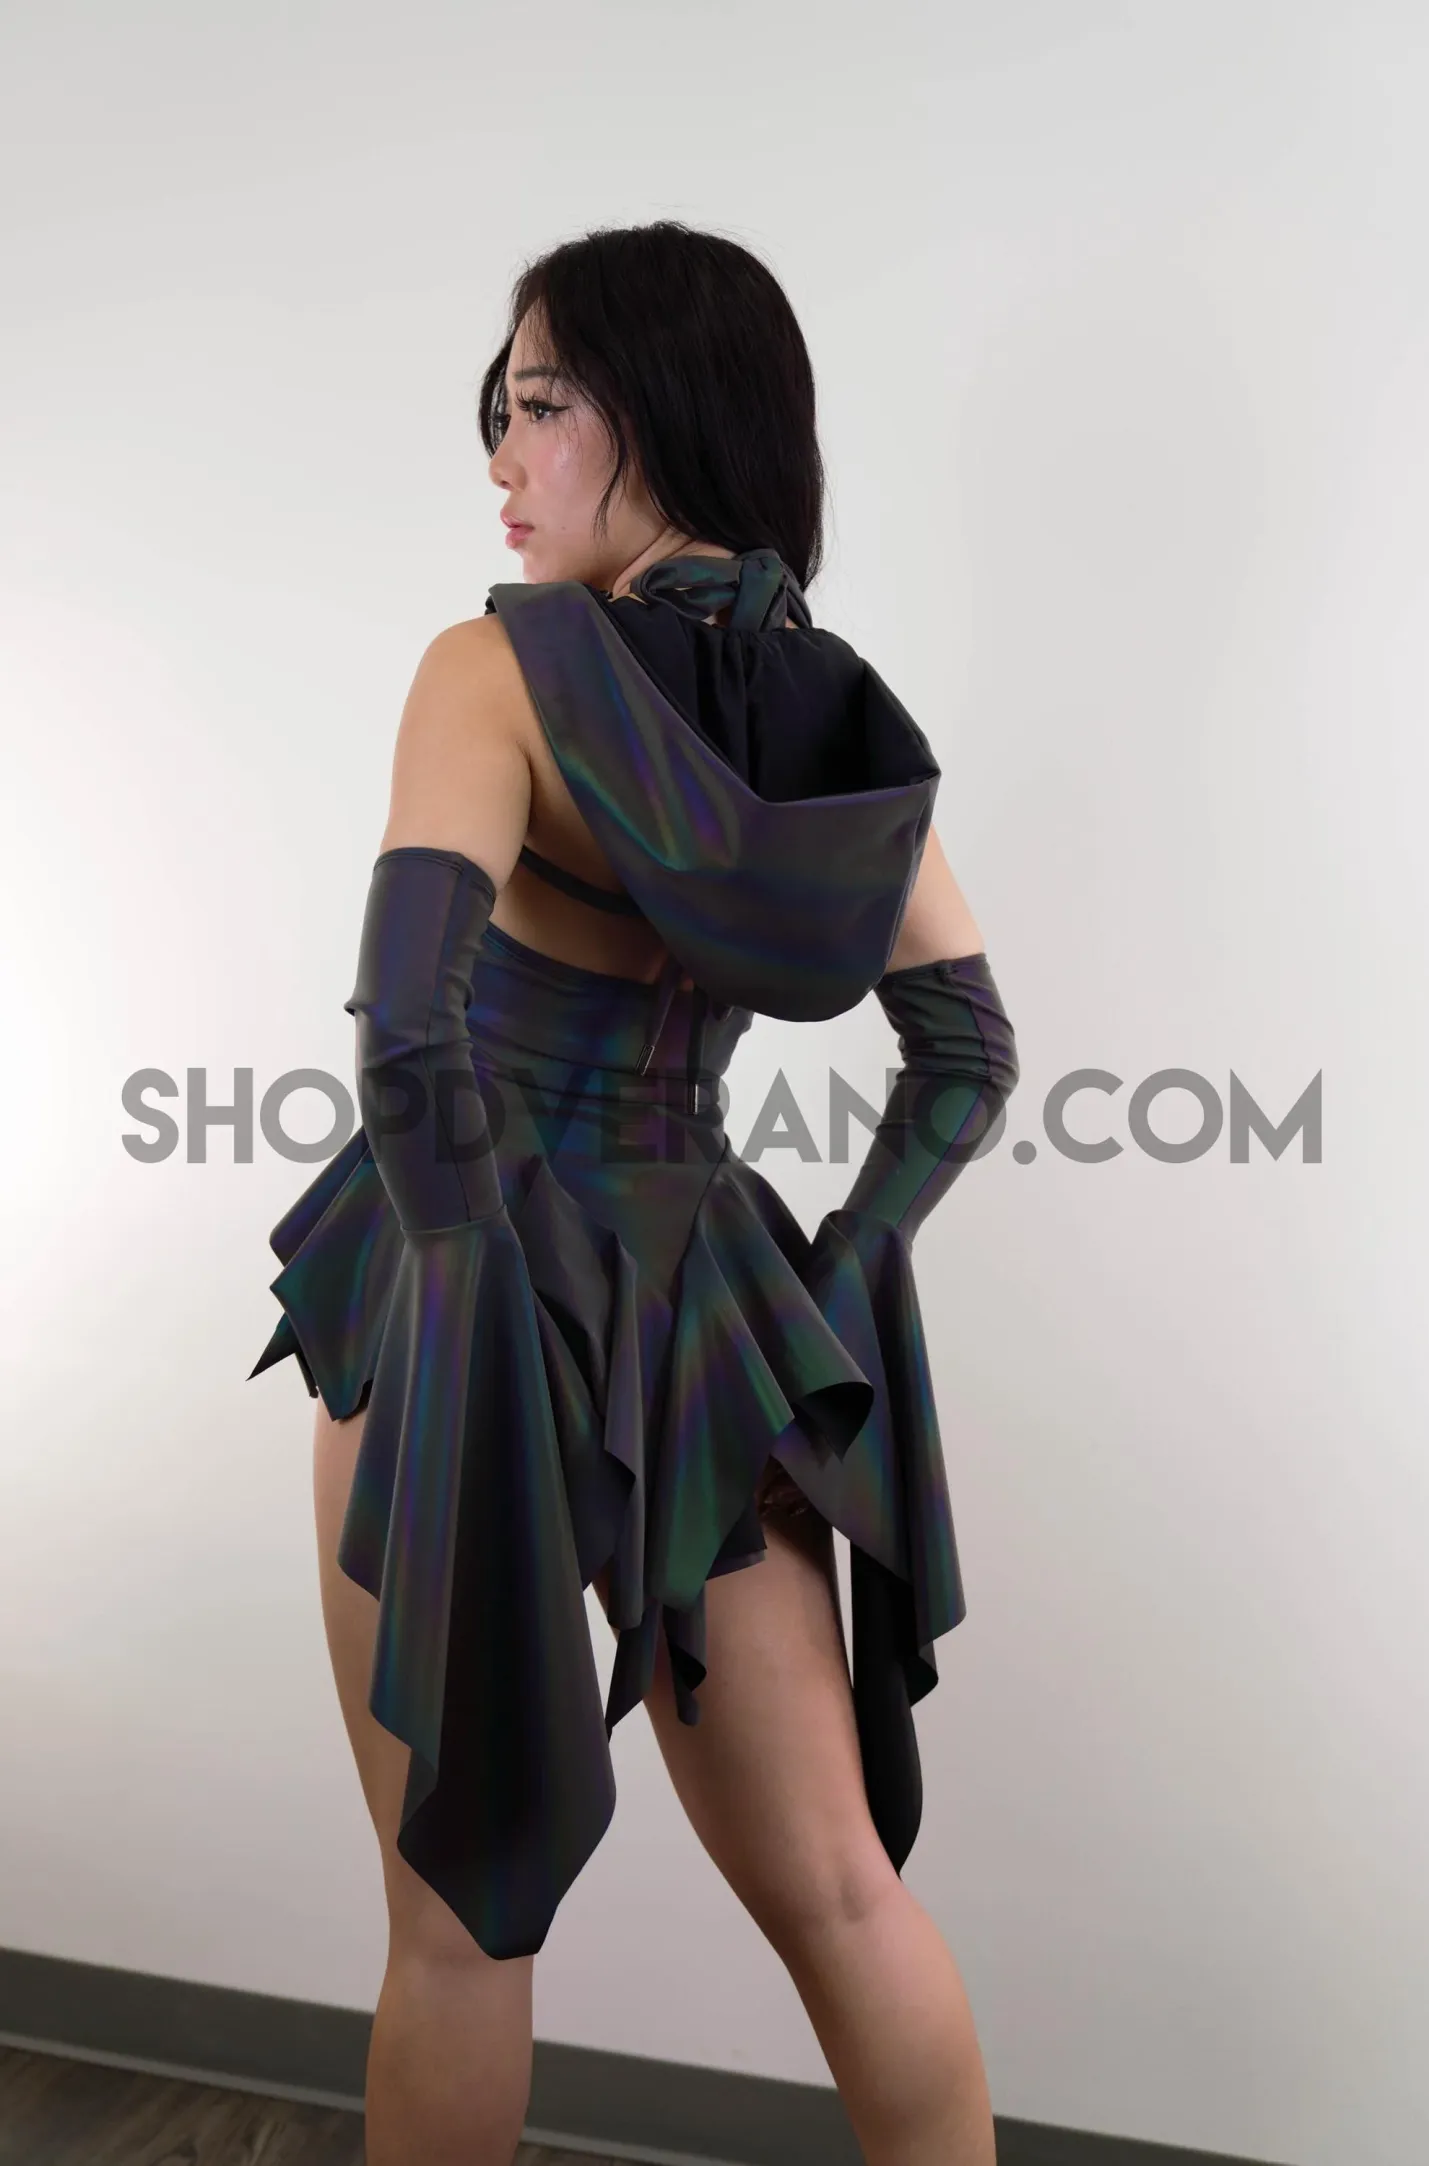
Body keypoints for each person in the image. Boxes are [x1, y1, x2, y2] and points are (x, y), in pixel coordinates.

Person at [249, 220, 1019, 2166]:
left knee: (455, 1927)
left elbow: (408, 1033)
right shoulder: (838, 728)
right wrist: (839, 1271)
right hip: (703, 1312)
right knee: (841, 1892)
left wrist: (462, 1289)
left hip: (462, 1282)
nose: (500, 463)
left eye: (536, 406)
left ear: (658, 413)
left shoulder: (496, 670)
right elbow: (967, 1052)